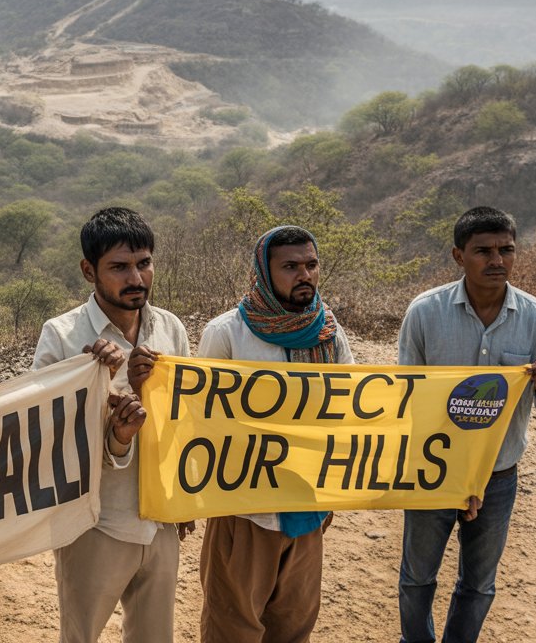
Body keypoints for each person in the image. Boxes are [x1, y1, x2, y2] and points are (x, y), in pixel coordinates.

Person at [397, 206, 536, 643]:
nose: (497, 260)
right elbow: (406, 395)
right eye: (484, 251)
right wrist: (450, 473)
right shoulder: (424, 313)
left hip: (498, 475)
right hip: (433, 469)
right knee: (417, 576)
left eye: (506, 250)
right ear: (458, 256)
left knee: (479, 583)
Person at [171, 225, 354, 643]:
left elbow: (354, 407)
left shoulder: (329, 331)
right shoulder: (228, 333)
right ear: (263, 273)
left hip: (308, 508)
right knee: (232, 628)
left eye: (311, 265)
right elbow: (200, 420)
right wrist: (187, 496)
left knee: (293, 628)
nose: (304, 275)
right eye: (290, 266)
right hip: (244, 510)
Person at [33, 206, 186, 643]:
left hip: (159, 520)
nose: (136, 278)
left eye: (144, 263)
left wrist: (183, 498)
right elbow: (46, 434)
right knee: (81, 636)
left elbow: (184, 419)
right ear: (88, 270)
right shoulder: (62, 336)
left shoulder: (170, 328)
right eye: (119, 267)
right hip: (93, 522)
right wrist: (97, 385)